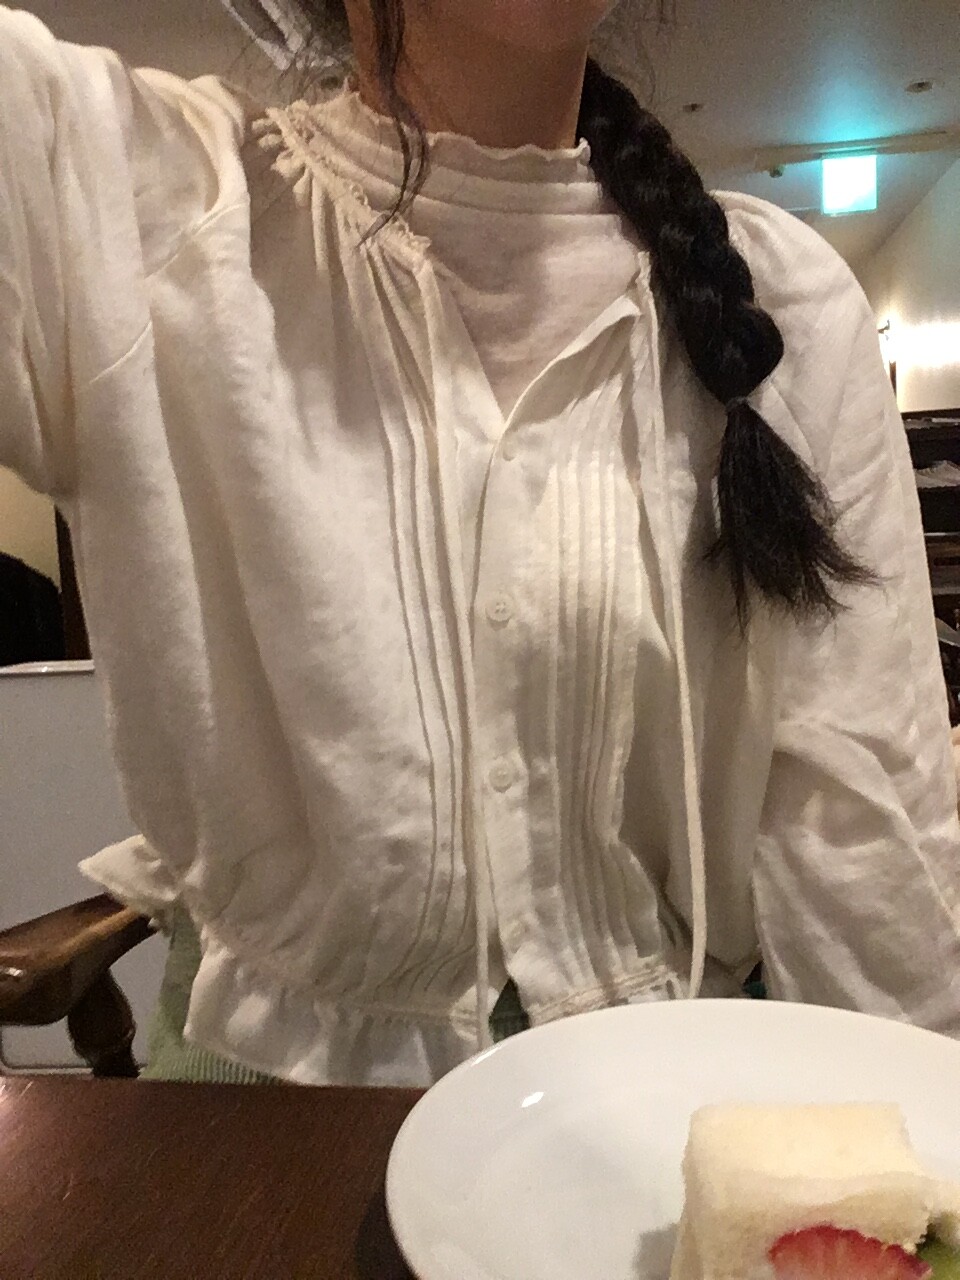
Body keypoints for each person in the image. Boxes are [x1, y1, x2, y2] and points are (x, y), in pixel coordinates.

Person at [1, 0, 958, 1088]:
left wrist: (908, 1144)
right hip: (267, 1125)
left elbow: (865, 846)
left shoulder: (785, 304)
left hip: (673, 1107)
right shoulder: (134, 202)